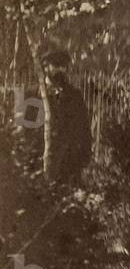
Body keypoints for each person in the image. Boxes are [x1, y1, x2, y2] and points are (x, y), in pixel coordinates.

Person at [40, 47, 91, 186]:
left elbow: (84, 128)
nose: (61, 69)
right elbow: (25, 132)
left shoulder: (75, 96)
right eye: (56, 65)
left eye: (64, 66)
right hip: (41, 167)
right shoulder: (32, 95)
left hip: (69, 166)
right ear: (46, 67)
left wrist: (82, 157)